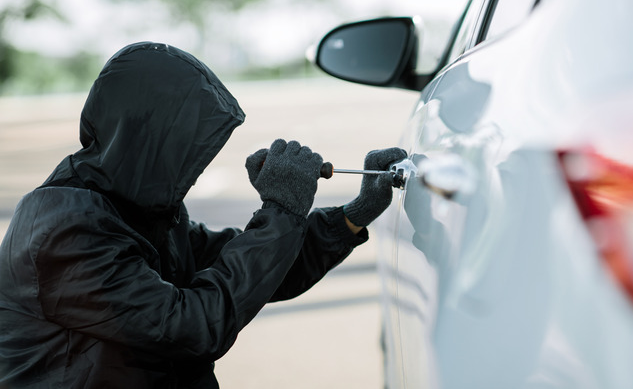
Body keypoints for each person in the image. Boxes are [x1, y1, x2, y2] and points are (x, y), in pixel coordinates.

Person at [0, 42, 406, 388]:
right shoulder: (62, 228)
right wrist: (281, 210)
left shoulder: (145, 209)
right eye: (185, 148)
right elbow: (193, 326)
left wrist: (352, 215)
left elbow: (252, 275)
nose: (195, 166)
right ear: (142, 135)